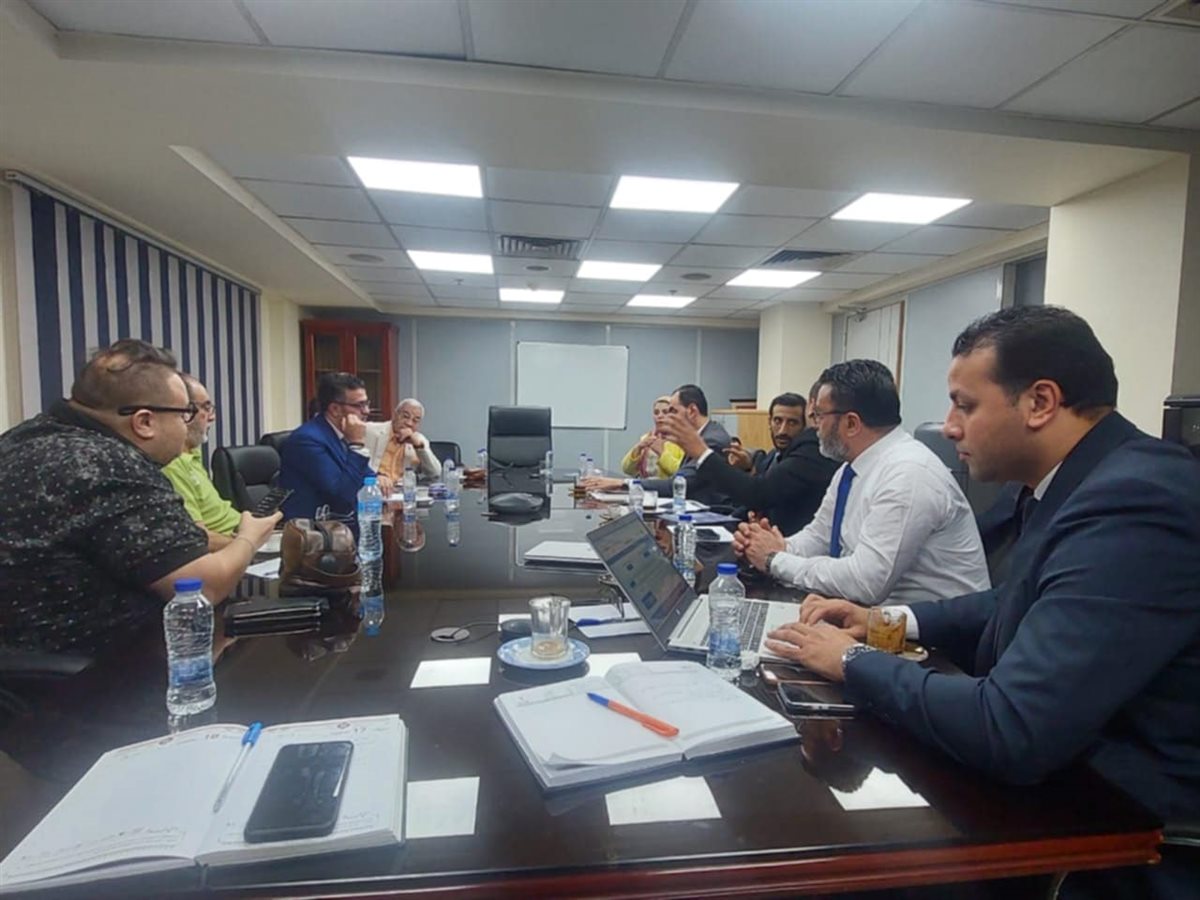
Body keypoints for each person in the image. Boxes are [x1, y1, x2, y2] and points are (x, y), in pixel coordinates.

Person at [764, 308, 1200, 899]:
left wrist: (850, 661)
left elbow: (1010, 727)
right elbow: (1014, 600)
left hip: (1126, 838)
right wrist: (882, 622)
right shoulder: (1081, 481)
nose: (948, 427)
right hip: (1067, 780)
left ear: (1040, 402)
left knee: (834, 865)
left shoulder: (1134, 502)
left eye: (964, 406)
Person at [0, 340, 280, 657]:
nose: (190, 424)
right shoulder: (107, 466)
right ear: (144, 422)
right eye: (186, 414)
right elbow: (201, 586)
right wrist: (249, 538)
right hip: (92, 670)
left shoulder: (22, 438)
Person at [735, 360, 988, 606]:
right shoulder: (851, 469)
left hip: (931, 631)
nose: (814, 427)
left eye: (819, 415)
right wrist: (774, 546)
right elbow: (818, 537)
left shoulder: (908, 474)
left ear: (851, 423)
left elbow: (865, 583)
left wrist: (774, 560)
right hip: (875, 619)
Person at [662, 388, 839, 535]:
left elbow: (758, 493)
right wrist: (749, 469)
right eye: (778, 421)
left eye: (792, 423)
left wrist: (700, 451)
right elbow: (758, 491)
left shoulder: (810, 453)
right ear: (769, 422)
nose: (783, 430)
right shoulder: (772, 456)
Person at [581, 384, 732, 506]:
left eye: (672, 411)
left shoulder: (712, 441)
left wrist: (622, 483)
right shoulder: (699, 436)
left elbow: (679, 484)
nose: (667, 418)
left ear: (692, 411)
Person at [278, 373, 393, 523]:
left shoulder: (339, 434)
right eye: (359, 405)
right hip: (316, 530)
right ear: (335, 409)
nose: (367, 411)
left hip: (344, 523)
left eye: (367, 404)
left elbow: (366, 477)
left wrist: (378, 477)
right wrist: (356, 445)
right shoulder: (307, 440)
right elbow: (342, 498)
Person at [162, 374, 241, 547]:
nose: (212, 417)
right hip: (232, 547)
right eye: (205, 407)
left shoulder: (193, 453)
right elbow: (198, 537)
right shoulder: (173, 464)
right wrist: (249, 543)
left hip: (241, 532)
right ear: (184, 412)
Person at [367, 398, 442, 481]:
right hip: (375, 485)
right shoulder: (370, 430)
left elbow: (435, 473)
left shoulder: (419, 441)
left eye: (415, 421)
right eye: (405, 417)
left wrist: (418, 447)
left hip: (403, 488)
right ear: (395, 415)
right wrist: (375, 477)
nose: (409, 423)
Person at [619, 396, 684, 480]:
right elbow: (626, 470)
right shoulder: (647, 438)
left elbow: (682, 473)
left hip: (669, 487)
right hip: (645, 486)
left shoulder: (682, 441)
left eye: (665, 412)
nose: (660, 416)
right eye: (656, 413)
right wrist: (638, 448)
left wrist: (661, 452)